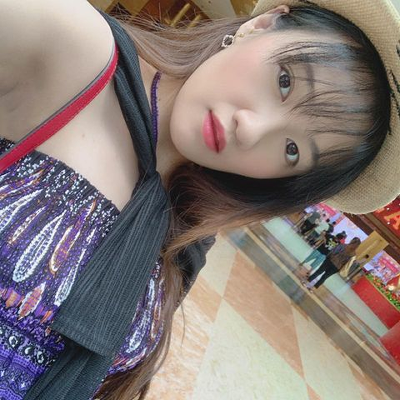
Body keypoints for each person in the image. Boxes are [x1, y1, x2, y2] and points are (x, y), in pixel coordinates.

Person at [0, 0, 399, 399]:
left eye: (292, 149)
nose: (251, 129)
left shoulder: (188, 230)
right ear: (260, 25)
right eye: (285, 82)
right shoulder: (68, 47)